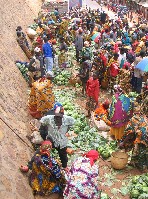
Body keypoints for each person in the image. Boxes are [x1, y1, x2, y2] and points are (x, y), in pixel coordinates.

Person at [40, 106, 75, 171]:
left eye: (59, 117)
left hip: (61, 141)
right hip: (51, 139)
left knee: (63, 155)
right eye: (56, 117)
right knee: (43, 150)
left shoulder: (68, 120)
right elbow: (42, 126)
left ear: (62, 116)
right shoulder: (49, 119)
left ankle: (64, 166)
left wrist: (68, 132)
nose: (58, 118)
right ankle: (31, 164)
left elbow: (72, 127)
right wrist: (45, 137)